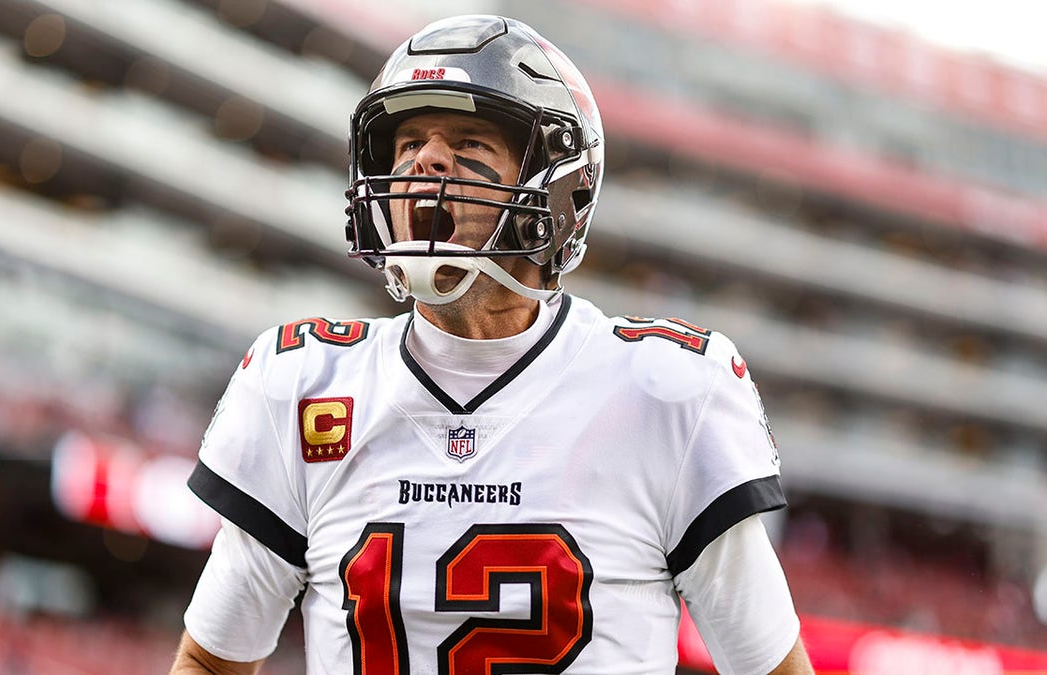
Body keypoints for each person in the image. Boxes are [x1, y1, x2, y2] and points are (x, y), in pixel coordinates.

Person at [171, 14, 814, 675]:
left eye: (471, 141)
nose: (426, 160)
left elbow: (771, 667)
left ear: (560, 191)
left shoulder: (662, 390)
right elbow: (211, 660)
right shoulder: (306, 383)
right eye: (408, 141)